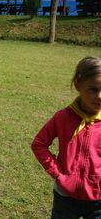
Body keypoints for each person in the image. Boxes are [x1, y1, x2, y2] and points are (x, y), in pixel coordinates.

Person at [31, 56, 101, 219]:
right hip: (66, 198)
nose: (99, 96)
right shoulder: (62, 117)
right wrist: (58, 174)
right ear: (78, 84)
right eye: (93, 89)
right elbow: (39, 144)